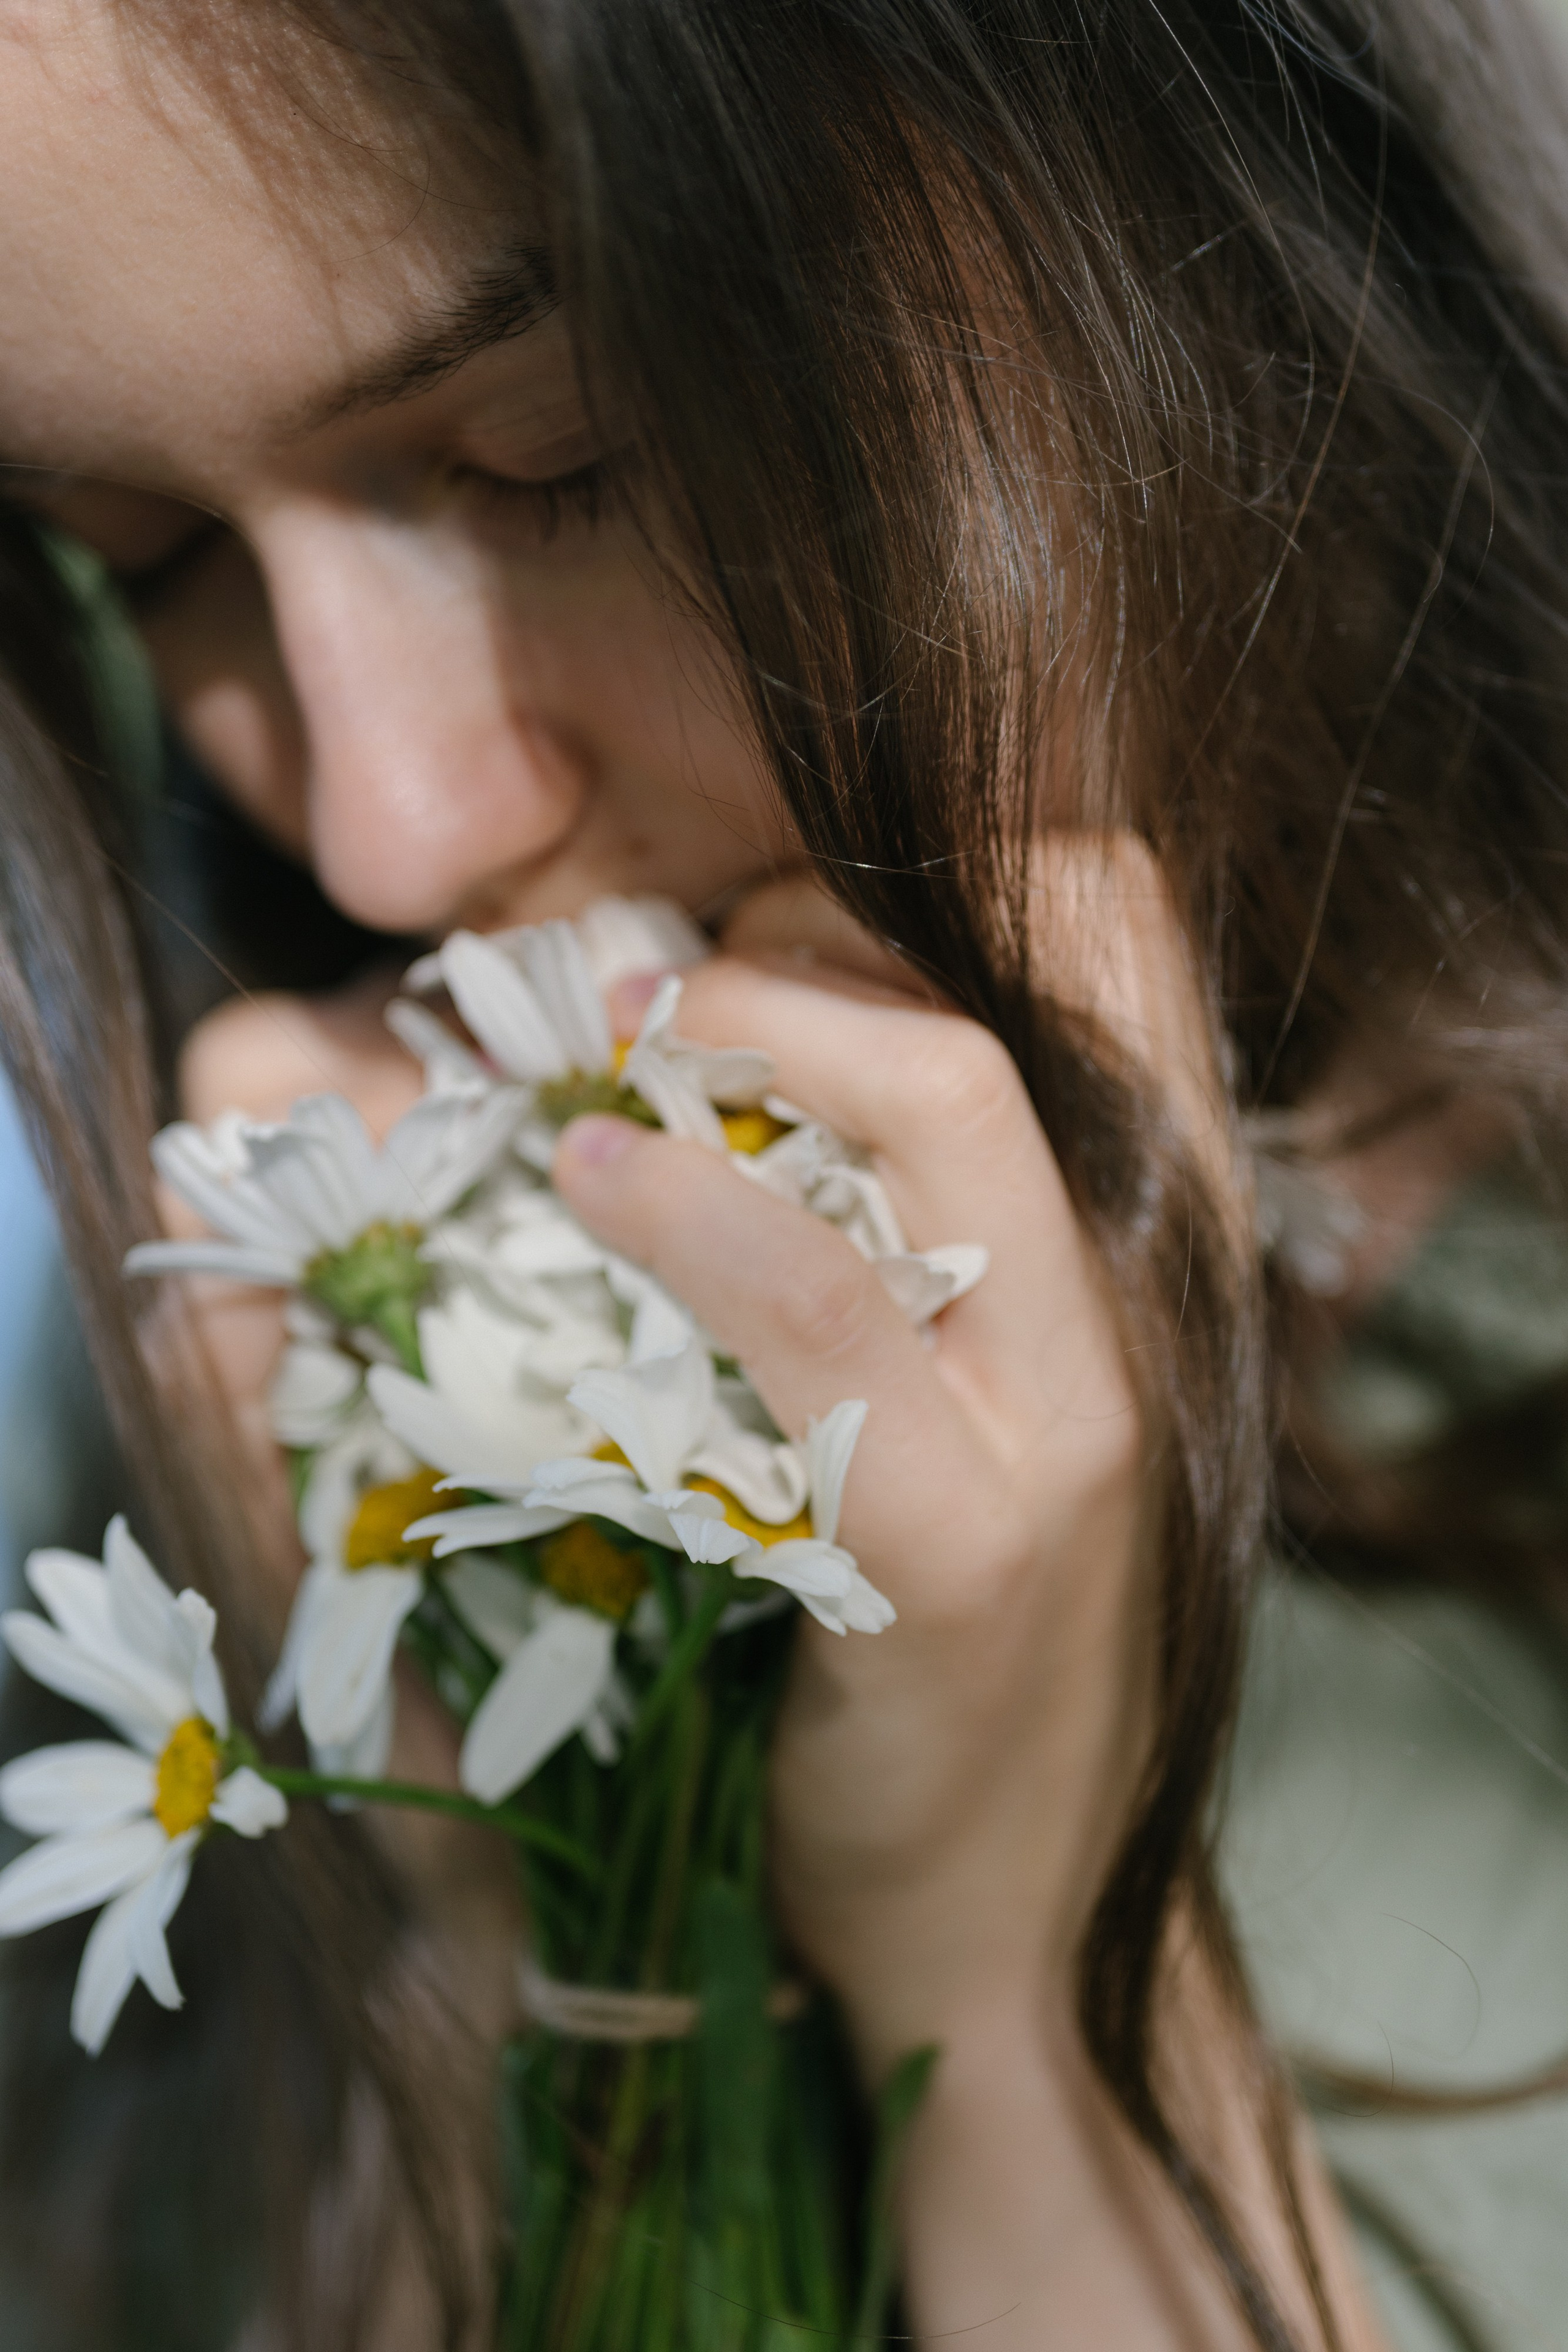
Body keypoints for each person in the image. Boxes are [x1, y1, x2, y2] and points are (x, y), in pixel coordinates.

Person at [1, 0, 1567, 2345]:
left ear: (1203, 212)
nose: (386, 822)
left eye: (560, 452)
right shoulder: (260, 1326)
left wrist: (1027, 2002)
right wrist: (502, 1971)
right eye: (145, 563)